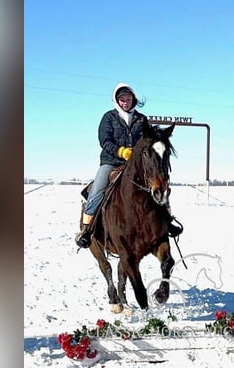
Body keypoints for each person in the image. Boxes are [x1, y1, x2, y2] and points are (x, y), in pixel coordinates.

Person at [75, 83, 182, 248]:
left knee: (158, 186)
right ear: (117, 101)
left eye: (128, 98)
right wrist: (121, 151)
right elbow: (104, 141)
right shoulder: (108, 118)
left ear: (134, 100)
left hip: (136, 164)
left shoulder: (141, 119)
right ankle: (87, 230)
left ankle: (167, 221)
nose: (125, 102)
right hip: (111, 161)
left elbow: (149, 141)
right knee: (97, 189)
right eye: (122, 99)